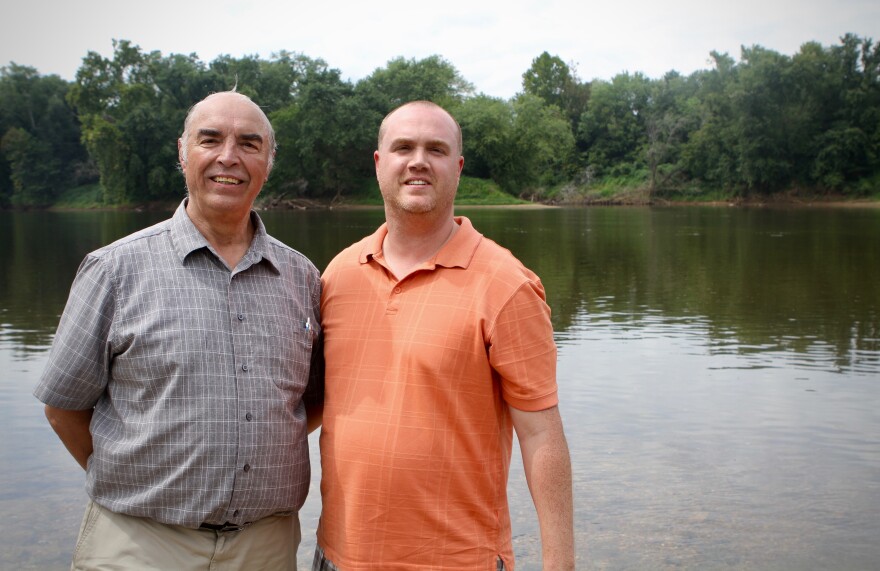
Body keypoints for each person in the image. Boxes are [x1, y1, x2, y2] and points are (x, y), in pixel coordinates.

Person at [34, 90, 323, 571]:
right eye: (210, 139)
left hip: (266, 547)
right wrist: (134, 479)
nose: (228, 157)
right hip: (140, 544)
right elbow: (63, 408)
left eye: (249, 144)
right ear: (182, 152)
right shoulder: (113, 270)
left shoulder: (303, 278)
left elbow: (307, 403)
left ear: (268, 163)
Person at [315, 100, 574, 570]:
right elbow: (312, 404)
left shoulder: (506, 284)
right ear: (379, 164)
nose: (418, 160)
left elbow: (541, 436)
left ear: (457, 168)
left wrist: (560, 563)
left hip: (457, 561)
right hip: (338, 557)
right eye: (403, 147)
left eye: (436, 149)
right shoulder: (339, 274)